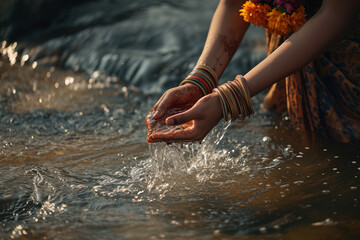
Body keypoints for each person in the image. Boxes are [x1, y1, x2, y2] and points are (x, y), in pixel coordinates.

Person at [145, 0, 360, 144]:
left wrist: (231, 97)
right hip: (283, 60)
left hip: (346, 57)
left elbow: (337, 15)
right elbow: (234, 5)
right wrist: (200, 81)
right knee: (291, 140)